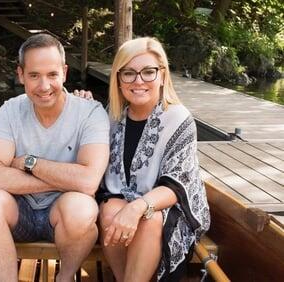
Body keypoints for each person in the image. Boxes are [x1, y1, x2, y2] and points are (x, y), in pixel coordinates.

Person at [0, 33, 110, 282]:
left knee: (82, 208)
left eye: (52, 75)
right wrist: (68, 176)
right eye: (34, 75)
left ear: (65, 73)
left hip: (64, 212)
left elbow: (89, 182)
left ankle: (65, 277)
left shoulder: (91, 113)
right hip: (19, 210)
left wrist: (29, 163)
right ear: (21, 74)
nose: (44, 86)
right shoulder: (9, 110)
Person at [96, 37, 210, 281]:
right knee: (109, 212)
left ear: (162, 75)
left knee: (150, 219)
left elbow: (177, 185)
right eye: (128, 73)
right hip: (122, 198)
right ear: (118, 78)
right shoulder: (112, 117)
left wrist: (138, 207)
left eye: (148, 72)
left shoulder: (179, 119)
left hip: (170, 206)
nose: (138, 81)